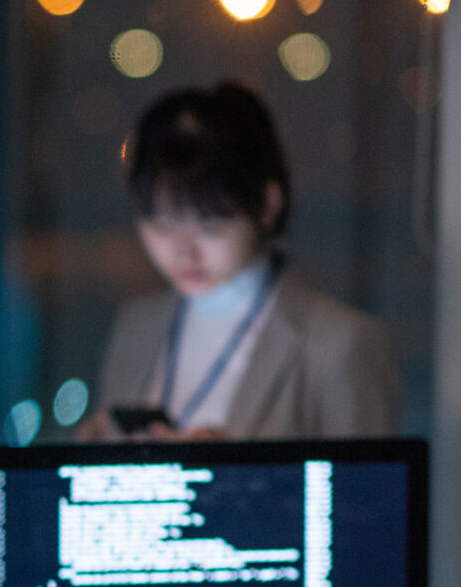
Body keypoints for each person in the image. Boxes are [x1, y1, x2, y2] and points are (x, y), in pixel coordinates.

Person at [78, 81, 397, 440]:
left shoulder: (339, 345)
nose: (184, 252)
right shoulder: (137, 325)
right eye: (161, 225)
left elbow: (368, 494)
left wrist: (229, 476)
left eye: (210, 225)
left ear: (267, 206)